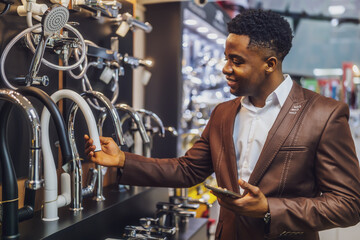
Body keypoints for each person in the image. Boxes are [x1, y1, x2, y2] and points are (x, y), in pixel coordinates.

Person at [84, 9, 360, 240]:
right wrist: (123, 160)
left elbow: (348, 204)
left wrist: (269, 208)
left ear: (270, 64)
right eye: (227, 57)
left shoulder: (324, 114)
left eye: (236, 61)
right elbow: (188, 170)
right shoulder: (224, 113)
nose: (226, 68)